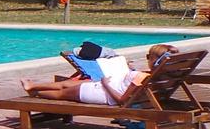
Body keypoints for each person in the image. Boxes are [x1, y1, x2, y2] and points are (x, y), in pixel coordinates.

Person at [20, 44, 177, 105]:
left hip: (103, 93)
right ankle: (32, 85)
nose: (147, 59)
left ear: (154, 60)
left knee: (62, 92)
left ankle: (36, 92)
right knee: (67, 83)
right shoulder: (156, 76)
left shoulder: (142, 77)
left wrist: (105, 84)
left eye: (149, 57)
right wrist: (128, 71)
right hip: (103, 88)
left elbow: (121, 100)